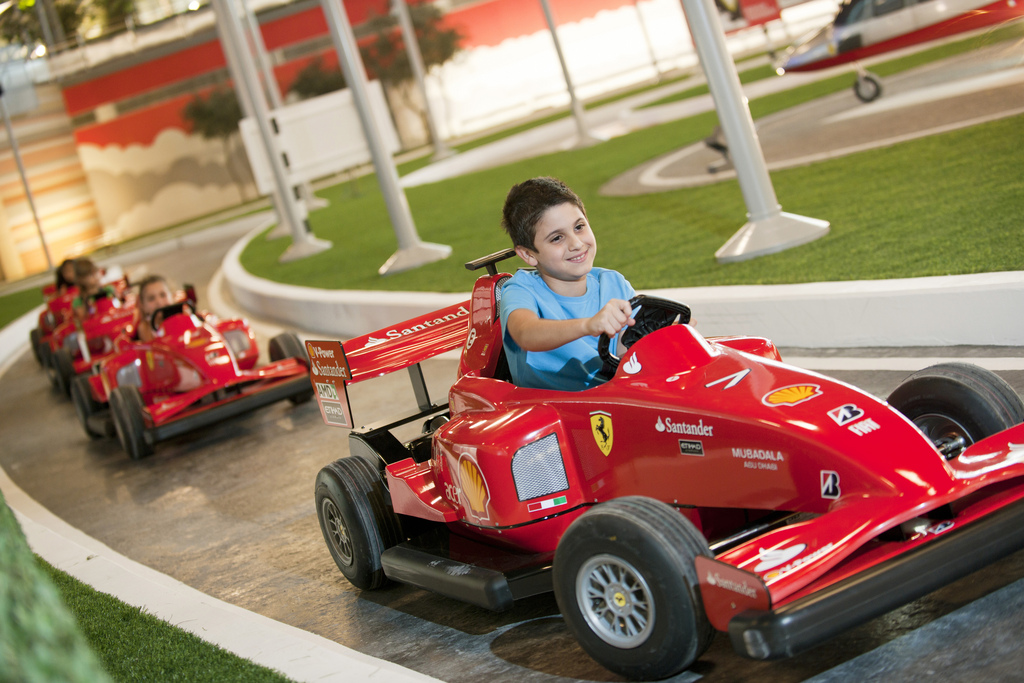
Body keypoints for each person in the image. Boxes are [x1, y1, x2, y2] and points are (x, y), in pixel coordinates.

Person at [499, 177, 635, 391]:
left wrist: (666, 334)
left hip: (613, 399)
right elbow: (525, 333)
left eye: (579, 227)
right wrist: (588, 325)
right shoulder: (521, 290)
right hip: (552, 412)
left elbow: (627, 356)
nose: (577, 244)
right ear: (528, 254)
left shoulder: (613, 282)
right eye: (557, 238)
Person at [134, 274, 175, 342]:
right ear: (143, 306)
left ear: (172, 296)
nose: (159, 302)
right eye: (151, 298)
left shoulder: (182, 315)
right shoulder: (145, 328)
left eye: (163, 295)